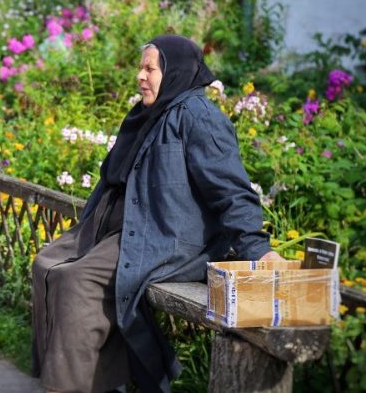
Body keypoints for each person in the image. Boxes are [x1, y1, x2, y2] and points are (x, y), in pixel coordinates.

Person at [31, 35, 283, 393]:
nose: (140, 76)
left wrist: (257, 251)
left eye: (150, 68)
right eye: (141, 67)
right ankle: (100, 380)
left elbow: (230, 190)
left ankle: (70, 387)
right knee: (47, 263)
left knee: (77, 281)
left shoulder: (199, 118)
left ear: (175, 72)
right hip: (117, 226)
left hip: (163, 238)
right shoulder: (148, 112)